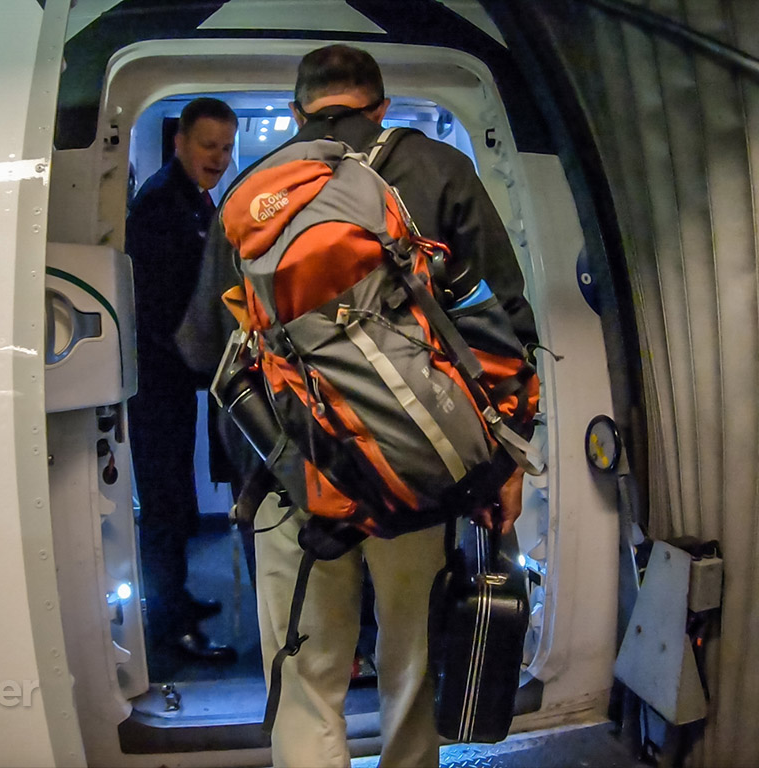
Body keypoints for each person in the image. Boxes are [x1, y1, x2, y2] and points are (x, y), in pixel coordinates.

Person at [177, 45, 537, 766]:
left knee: (308, 674)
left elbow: (202, 349)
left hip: (294, 482)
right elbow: (502, 323)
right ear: (382, 106)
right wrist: (505, 463)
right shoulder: (441, 172)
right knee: (411, 666)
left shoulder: (252, 189)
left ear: (296, 111)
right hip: (419, 477)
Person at [126, 97, 239, 663]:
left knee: (177, 498)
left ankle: (176, 599)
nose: (217, 157)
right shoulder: (159, 207)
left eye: (224, 147)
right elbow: (168, 309)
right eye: (207, 145)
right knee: (166, 504)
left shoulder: (193, 200)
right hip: (156, 382)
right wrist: (211, 364)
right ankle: (168, 628)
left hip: (175, 380)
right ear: (180, 143)